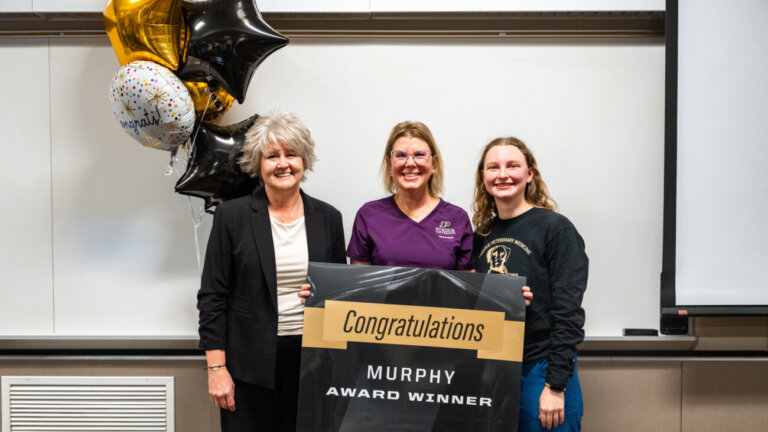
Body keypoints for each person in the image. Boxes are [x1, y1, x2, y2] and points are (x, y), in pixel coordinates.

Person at [197, 112, 346, 432]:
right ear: (257, 163)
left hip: (312, 366)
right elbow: (212, 297)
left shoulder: (329, 218)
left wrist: (323, 296)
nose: (283, 163)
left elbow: (340, 294)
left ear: (304, 161)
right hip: (248, 368)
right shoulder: (231, 217)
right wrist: (216, 368)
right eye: (272, 155)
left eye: (291, 154)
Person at [472, 137, 588, 432]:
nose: (503, 175)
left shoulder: (555, 229)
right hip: (496, 369)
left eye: (513, 166)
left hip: (542, 367)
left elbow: (568, 313)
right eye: (493, 167)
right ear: (483, 176)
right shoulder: (481, 234)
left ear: (530, 174)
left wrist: (555, 386)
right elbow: (475, 300)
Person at [346, 121, 474, 270]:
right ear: (389, 165)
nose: (410, 163)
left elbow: (467, 286)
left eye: (419, 155)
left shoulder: (457, 218)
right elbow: (358, 285)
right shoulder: (369, 215)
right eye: (401, 155)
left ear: (434, 164)